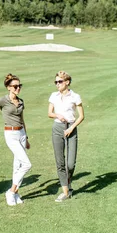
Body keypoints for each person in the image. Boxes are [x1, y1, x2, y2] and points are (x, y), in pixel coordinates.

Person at [0, 73, 32, 206]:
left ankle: (15, 194)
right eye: (15, 86)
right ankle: (11, 191)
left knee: (18, 165)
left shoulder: (21, 102)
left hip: (21, 133)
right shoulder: (3, 101)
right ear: (8, 87)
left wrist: (26, 137)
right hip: (10, 134)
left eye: (19, 86)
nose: (18, 88)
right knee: (27, 164)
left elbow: (22, 120)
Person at [48, 70, 85, 202]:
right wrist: (57, 115)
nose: (57, 84)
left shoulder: (75, 96)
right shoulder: (54, 95)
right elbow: (49, 113)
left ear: (67, 82)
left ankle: (68, 183)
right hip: (57, 128)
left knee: (70, 164)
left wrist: (71, 128)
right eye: (56, 82)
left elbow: (81, 116)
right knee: (60, 162)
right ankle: (65, 191)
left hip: (71, 128)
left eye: (60, 81)